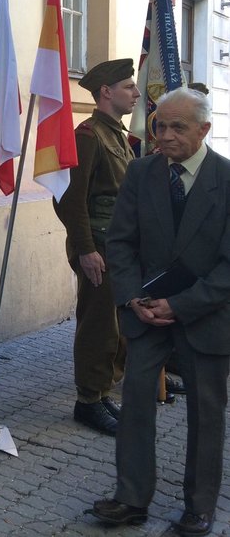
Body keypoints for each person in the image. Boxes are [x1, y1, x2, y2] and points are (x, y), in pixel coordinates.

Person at [88, 87, 230, 536]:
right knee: (134, 406)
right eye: (160, 125)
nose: (165, 135)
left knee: (205, 415)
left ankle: (198, 508)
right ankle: (131, 498)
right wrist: (132, 298)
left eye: (177, 127)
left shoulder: (226, 180)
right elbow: (121, 241)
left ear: (205, 129)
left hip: (205, 319)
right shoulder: (142, 172)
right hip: (146, 316)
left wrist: (182, 304)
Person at [53, 58, 138, 435]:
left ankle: (103, 392)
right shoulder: (87, 136)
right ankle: (87, 401)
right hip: (99, 246)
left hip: (120, 244)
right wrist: (86, 249)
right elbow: (70, 199)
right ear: (107, 92)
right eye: (129, 87)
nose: (136, 93)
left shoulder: (116, 135)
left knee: (116, 326)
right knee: (98, 326)